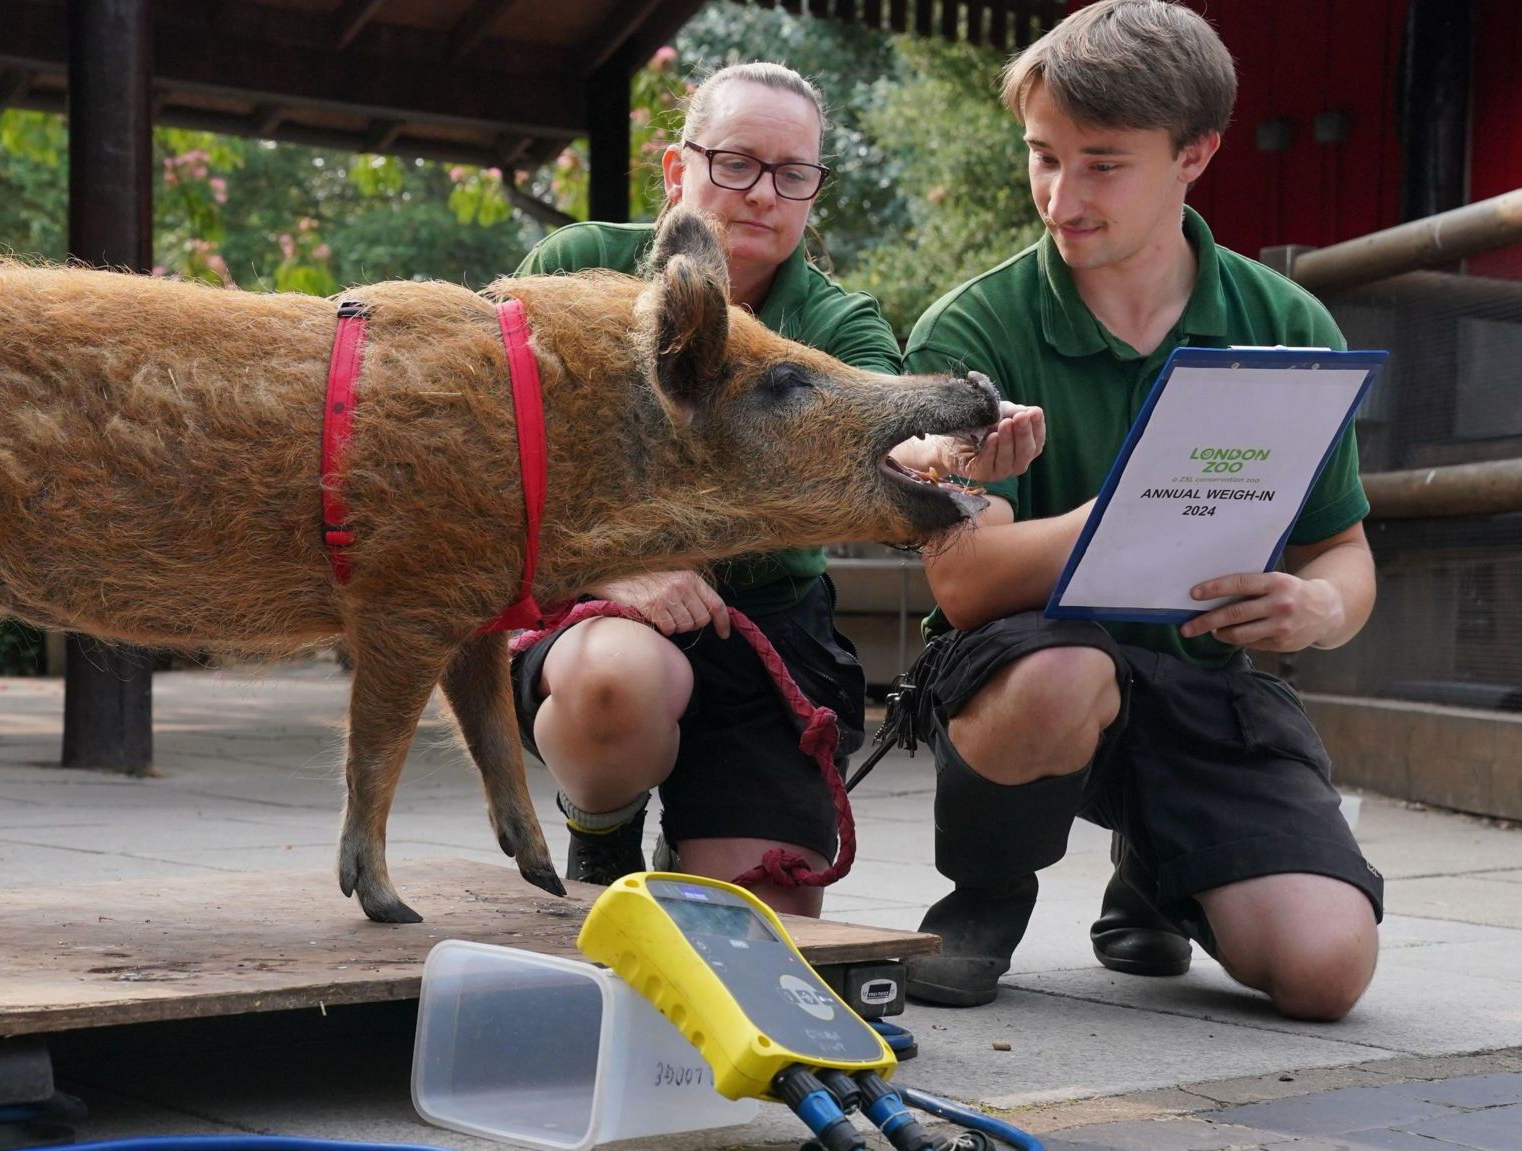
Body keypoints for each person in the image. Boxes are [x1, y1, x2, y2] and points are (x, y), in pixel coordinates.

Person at [898, 0, 1381, 1019]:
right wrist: (1141, 509)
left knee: (1325, 970)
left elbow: (1341, 546)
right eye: (1041, 156)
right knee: (1062, 668)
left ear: (1193, 155)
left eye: (1101, 164)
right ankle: (983, 894)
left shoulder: (1285, 323)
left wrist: (1318, 608)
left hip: (1202, 676)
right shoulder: (971, 324)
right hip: (1027, 666)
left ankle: (1158, 870)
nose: (1058, 197)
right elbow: (961, 578)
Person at [510, 61, 1045, 916]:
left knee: (763, 920)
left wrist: (961, 448)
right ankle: (602, 826)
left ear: (811, 193)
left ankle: (702, 831)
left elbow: (892, 439)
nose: (762, 193)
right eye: (735, 164)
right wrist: (610, 571)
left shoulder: (840, 322)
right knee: (615, 680)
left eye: (792, 174)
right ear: (678, 171)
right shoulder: (578, 266)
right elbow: (495, 444)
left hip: (767, 618)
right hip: (599, 608)